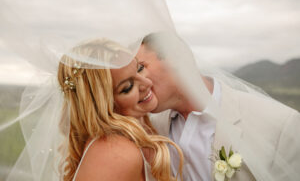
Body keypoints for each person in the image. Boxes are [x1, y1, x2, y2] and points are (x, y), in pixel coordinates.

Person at [136, 33, 300, 181]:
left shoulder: (281, 124)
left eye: (141, 68)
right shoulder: (149, 129)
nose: (135, 83)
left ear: (176, 57)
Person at [56, 39, 183, 181]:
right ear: (103, 105)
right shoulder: (115, 154)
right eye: (128, 87)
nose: (147, 83)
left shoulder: (146, 130)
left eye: (139, 69)